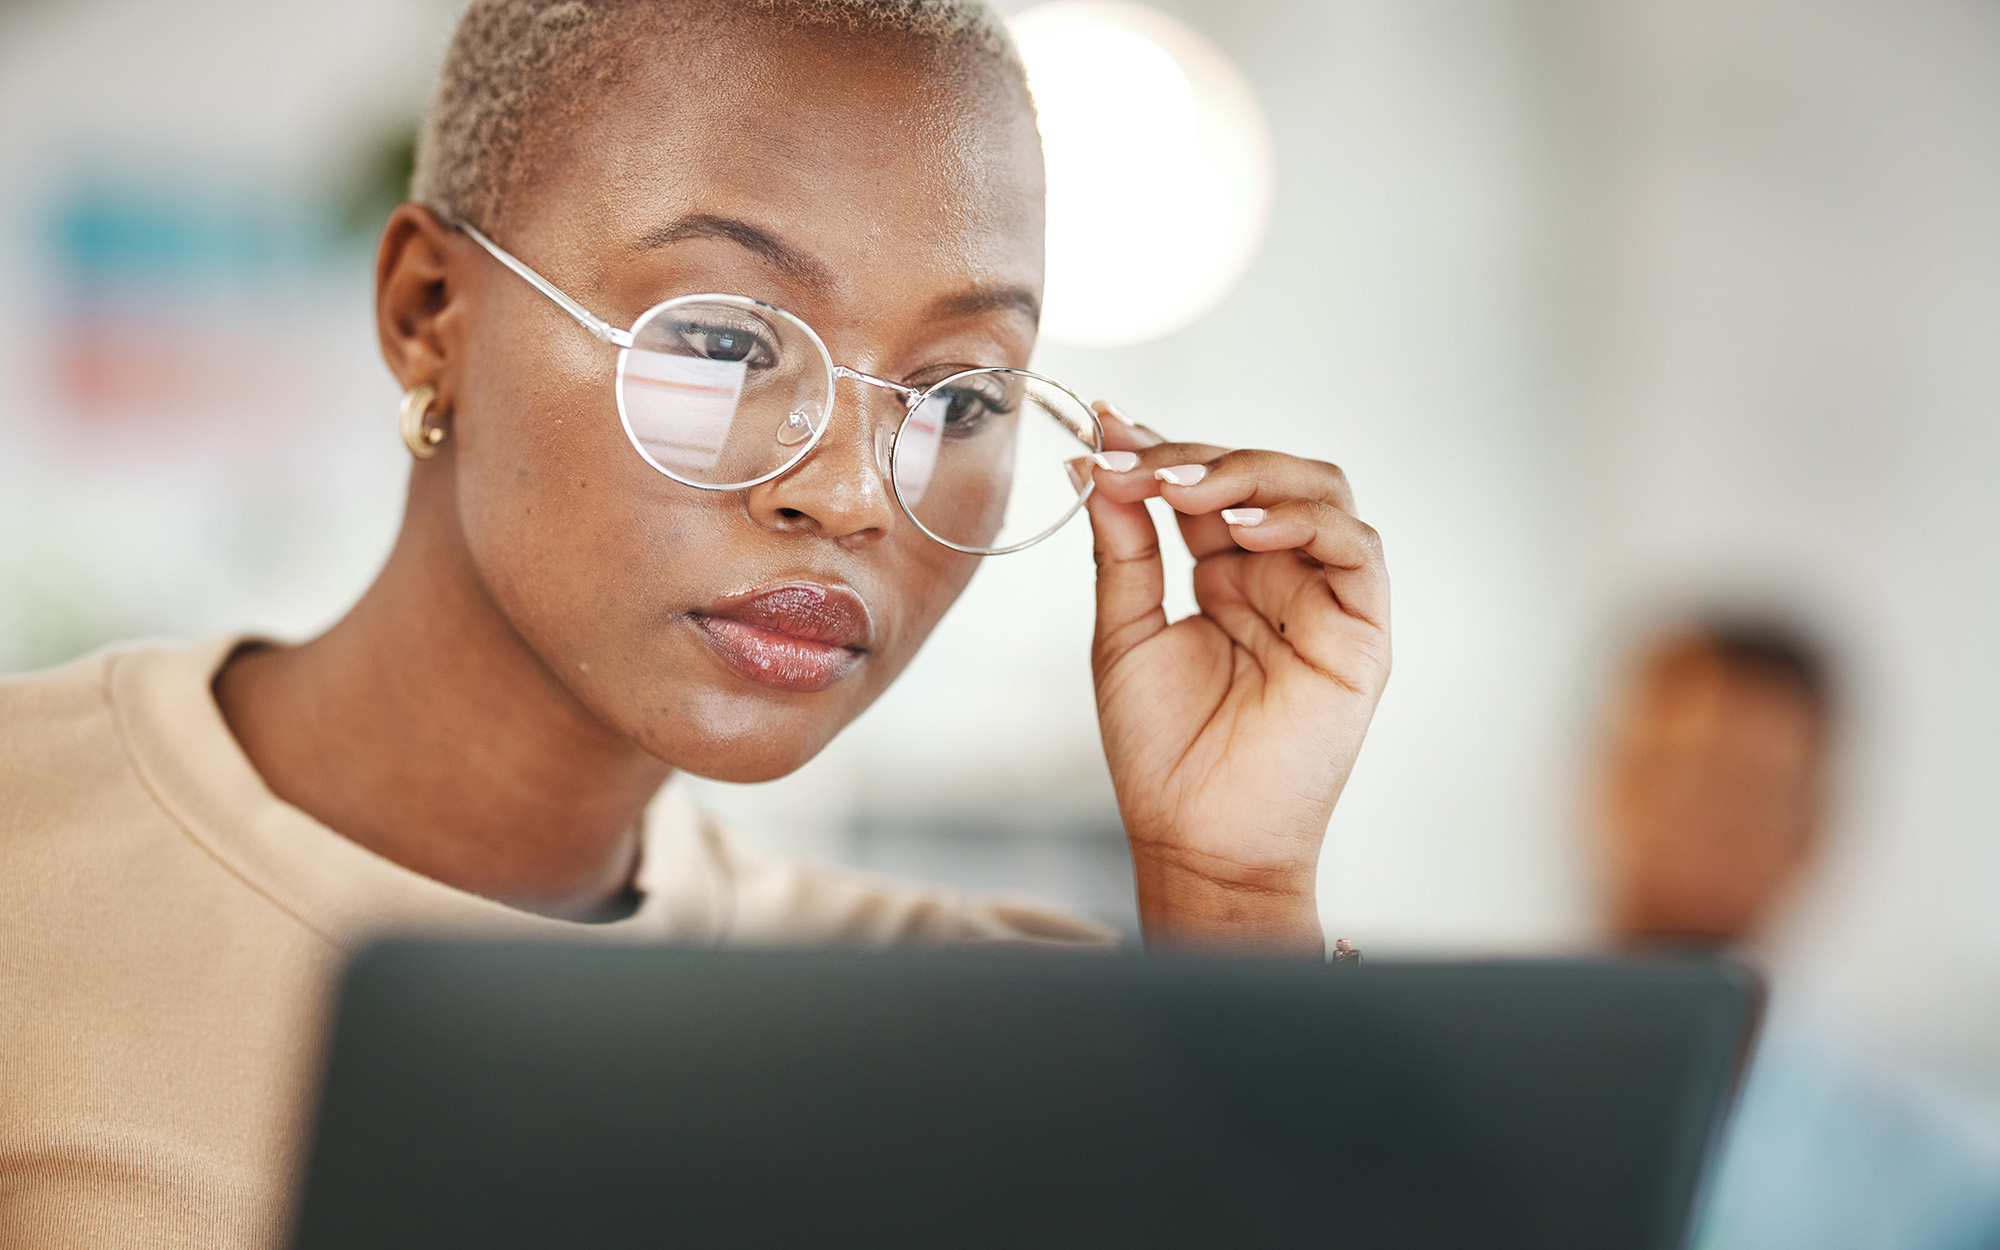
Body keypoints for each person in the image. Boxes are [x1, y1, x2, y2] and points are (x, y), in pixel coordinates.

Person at [0, 1, 1391, 1246]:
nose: (851, 493)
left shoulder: (987, 1029)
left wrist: (1236, 895)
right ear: (432, 313)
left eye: (962, 397)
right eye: (724, 342)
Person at [1592, 621, 2000, 1250]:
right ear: (1608, 784)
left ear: (1810, 833)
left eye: (1751, 792)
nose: (1704, 823)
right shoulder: (1461, 1099)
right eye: (1678, 775)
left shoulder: (1938, 1181)